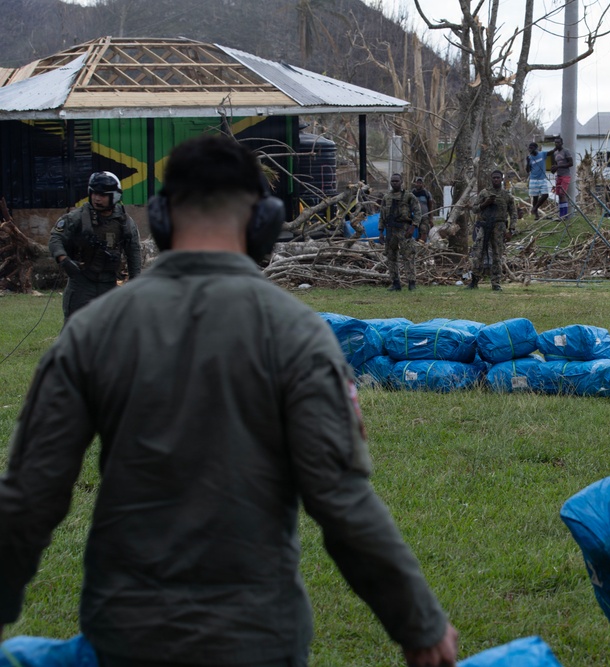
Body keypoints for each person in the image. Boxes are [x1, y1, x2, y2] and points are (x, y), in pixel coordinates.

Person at [0, 135, 459, 666]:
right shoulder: (299, 335)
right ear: (263, 223)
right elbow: (342, 502)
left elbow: (29, 496)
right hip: (260, 639)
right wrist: (420, 626)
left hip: (126, 634)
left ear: (163, 219)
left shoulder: (92, 330)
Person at [48, 171, 141, 322]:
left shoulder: (124, 222)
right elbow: (56, 238)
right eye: (95, 193)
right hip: (81, 283)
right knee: (75, 330)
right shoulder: (77, 217)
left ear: (114, 196)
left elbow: (134, 252)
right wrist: (63, 259)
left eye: (103, 195)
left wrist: (135, 282)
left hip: (109, 284)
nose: (97, 198)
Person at [468, 169, 515, 291]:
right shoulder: (484, 193)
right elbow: (474, 209)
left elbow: (513, 214)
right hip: (484, 225)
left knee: (497, 254)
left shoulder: (507, 195)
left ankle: (496, 283)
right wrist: (486, 203)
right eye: (494, 178)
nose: (496, 180)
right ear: (491, 179)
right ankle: (474, 280)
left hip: (499, 226)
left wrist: (511, 230)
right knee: (478, 252)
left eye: (498, 178)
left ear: (502, 179)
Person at [378, 173, 421, 291]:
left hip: (404, 229)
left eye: (396, 181)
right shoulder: (386, 197)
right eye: (392, 181)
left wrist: (413, 227)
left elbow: (417, 212)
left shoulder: (409, 196)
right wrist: (381, 231)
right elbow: (382, 215)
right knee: (391, 257)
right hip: (390, 231)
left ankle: (411, 283)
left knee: (408, 256)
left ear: (401, 182)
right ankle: (395, 283)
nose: (394, 183)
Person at [549, 136, 574, 219]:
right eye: (555, 142)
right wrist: (553, 168)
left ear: (562, 143)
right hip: (559, 175)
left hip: (565, 175)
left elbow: (571, 163)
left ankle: (564, 215)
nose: (557, 144)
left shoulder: (566, 151)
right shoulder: (555, 153)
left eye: (558, 142)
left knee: (562, 194)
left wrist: (558, 166)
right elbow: (556, 165)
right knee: (559, 195)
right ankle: (561, 214)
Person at [525, 142, 550, 219]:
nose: (530, 150)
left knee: (545, 195)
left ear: (536, 148)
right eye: (529, 148)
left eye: (531, 148)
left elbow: (551, 153)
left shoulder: (542, 154)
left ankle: (535, 208)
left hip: (542, 178)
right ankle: (536, 215)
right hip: (533, 179)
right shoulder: (529, 158)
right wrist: (528, 162)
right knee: (535, 197)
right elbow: (527, 170)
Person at [411, 176, 436, 242]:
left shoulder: (427, 193)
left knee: (424, 230)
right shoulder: (412, 193)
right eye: (417, 183)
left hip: (424, 216)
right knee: (415, 232)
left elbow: (430, 206)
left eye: (420, 183)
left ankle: (422, 245)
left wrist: (431, 218)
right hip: (415, 217)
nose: (418, 184)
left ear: (423, 184)